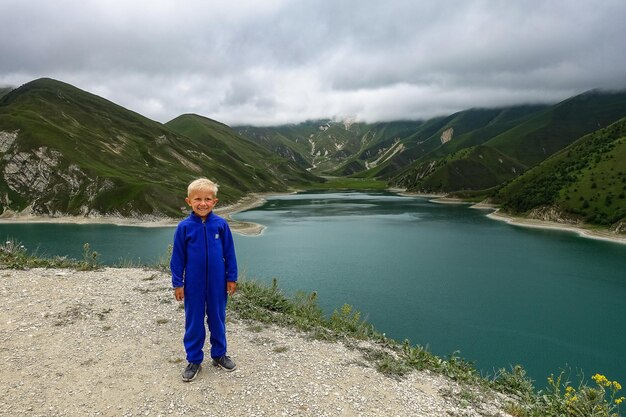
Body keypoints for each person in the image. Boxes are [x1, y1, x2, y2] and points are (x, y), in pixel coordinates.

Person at [170, 178, 238, 382]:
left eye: (208, 199)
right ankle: (194, 360)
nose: (203, 203)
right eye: (197, 199)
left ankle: (219, 355)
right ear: (189, 201)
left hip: (218, 283)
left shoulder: (221, 225)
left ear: (215, 202)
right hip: (193, 284)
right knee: (194, 321)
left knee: (217, 318)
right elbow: (177, 258)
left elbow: (230, 253)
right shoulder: (184, 227)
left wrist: (231, 277)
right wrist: (178, 283)